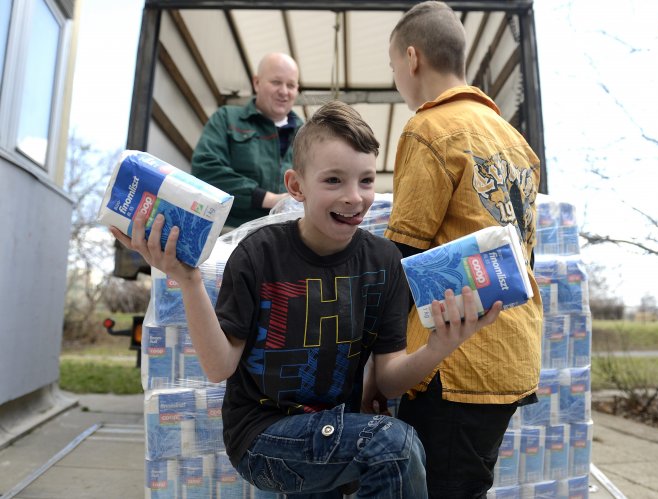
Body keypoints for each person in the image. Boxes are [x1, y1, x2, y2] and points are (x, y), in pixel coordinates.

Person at [112, 101, 502, 498]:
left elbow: (387, 379)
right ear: (296, 186)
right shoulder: (258, 254)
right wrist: (189, 280)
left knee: (388, 443)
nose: (354, 197)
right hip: (262, 437)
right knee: (394, 446)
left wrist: (439, 347)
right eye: (333, 181)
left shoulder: (384, 262)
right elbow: (218, 366)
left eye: (366, 181)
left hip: (336, 430)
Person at [368, 2, 544, 498]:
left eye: (392, 67)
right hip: (511, 353)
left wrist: (371, 363)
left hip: (455, 362)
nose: (397, 78)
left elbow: (402, 251)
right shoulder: (514, 140)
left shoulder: (429, 129)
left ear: (412, 58)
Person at [191, 52, 303, 228]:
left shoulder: (309, 137)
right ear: (257, 83)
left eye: (291, 85)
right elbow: (205, 170)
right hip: (228, 233)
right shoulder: (226, 119)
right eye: (276, 82)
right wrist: (269, 199)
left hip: (286, 239)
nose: (284, 91)